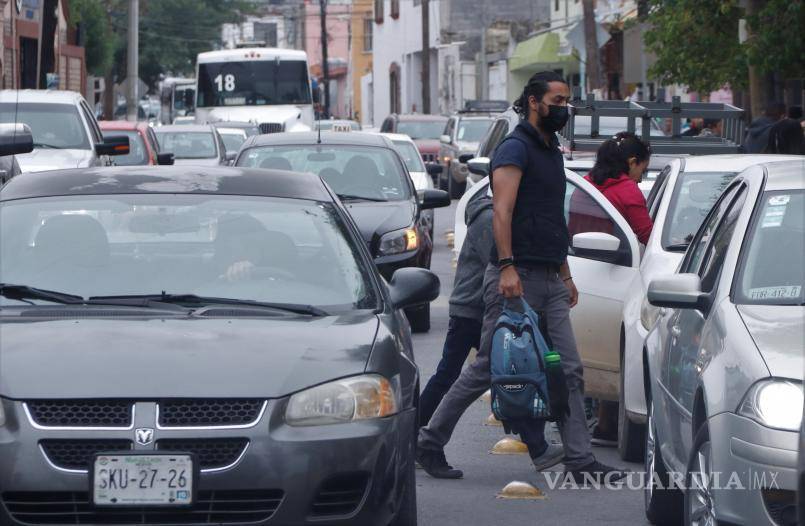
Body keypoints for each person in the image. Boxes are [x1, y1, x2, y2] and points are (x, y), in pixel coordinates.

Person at [416, 71, 625, 484]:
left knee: (569, 370)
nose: (565, 108)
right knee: (487, 370)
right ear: (533, 101)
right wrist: (507, 268)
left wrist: (566, 273)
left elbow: (553, 218)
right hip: (516, 277)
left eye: (568, 101)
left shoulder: (551, 151)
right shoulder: (515, 148)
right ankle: (429, 441)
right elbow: (502, 211)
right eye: (558, 100)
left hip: (549, 276)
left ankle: (580, 461)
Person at [418, 191, 493, 427]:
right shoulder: (489, 218)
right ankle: (417, 431)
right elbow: (500, 260)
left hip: (482, 309)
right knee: (449, 376)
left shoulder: (498, 215)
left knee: (505, 374)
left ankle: (537, 443)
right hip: (472, 309)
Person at [584, 132, 653, 245]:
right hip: (615, 260)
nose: (640, 179)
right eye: (643, 171)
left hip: (576, 258)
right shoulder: (629, 191)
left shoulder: (584, 184)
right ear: (632, 162)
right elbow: (649, 238)